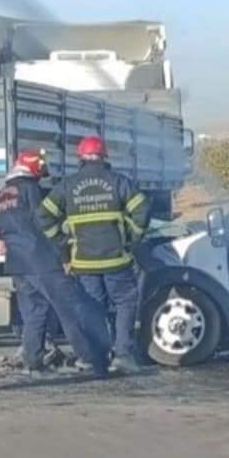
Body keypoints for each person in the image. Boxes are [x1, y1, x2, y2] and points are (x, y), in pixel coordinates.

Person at [38, 135, 150, 373]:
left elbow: (43, 216)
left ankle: (98, 357)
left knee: (93, 308)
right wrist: (132, 239)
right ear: (104, 156)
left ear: (81, 158)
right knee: (125, 303)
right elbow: (141, 209)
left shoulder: (68, 185)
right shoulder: (118, 181)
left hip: (84, 262)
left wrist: (63, 242)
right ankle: (122, 355)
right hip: (117, 259)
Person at [0, 149, 110, 377]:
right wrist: (64, 248)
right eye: (42, 165)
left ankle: (33, 363)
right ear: (34, 166)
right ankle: (89, 359)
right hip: (41, 261)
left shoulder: (0, 196)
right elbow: (44, 222)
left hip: (17, 264)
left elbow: (0, 231)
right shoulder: (31, 190)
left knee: (33, 314)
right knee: (68, 309)